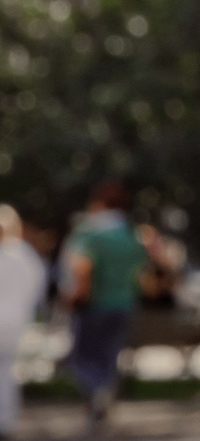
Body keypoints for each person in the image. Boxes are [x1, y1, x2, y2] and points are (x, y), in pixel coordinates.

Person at [62, 182, 146, 434]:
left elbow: (81, 268)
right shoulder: (130, 234)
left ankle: (96, 393)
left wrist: (74, 296)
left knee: (81, 357)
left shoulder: (89, 232)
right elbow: (142, 268)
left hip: (94, 305)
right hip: (123, 304)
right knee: (108, 356)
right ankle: (102, 395)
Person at [0, 207, 48, 441]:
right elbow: (37, 286)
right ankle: (5, 420)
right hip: (14, 321)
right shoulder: (24, 254)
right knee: (6, 371)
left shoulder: (19, 254)